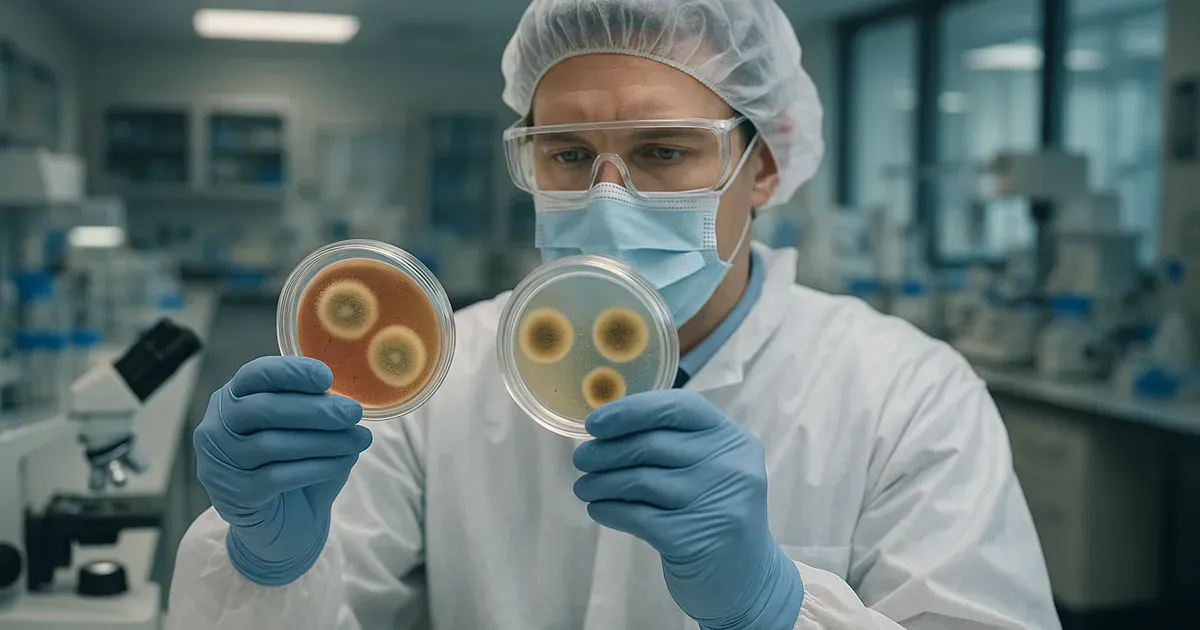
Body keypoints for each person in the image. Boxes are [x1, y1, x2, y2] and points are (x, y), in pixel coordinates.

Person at [168, 1, 1061, 628]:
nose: (605, 197)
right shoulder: (446, 374)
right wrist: (267, 563)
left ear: (764, 166)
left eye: (664, 152)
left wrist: (775, 610)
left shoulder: (904, 396)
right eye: (563, 154)